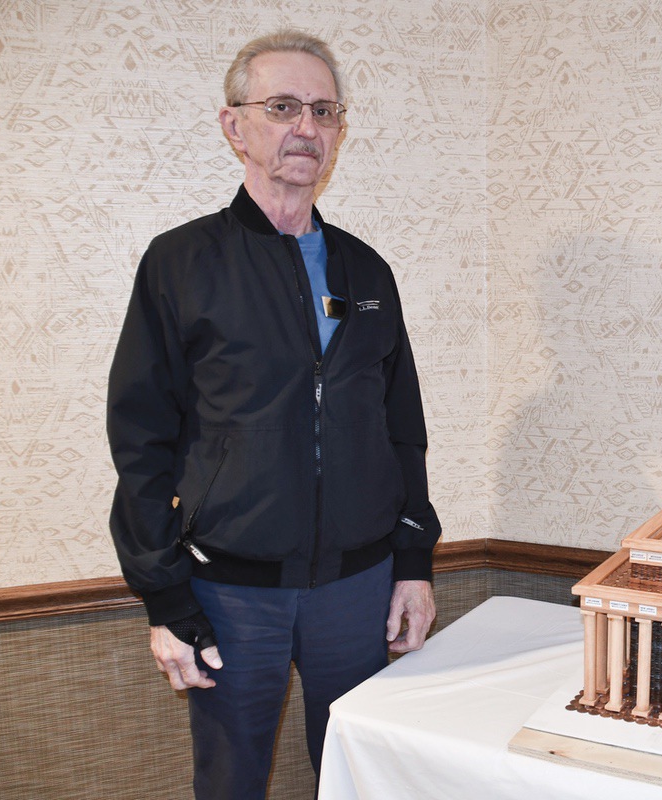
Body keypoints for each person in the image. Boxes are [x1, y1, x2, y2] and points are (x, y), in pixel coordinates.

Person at [106, 30, 440, 799]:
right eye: (283, 106)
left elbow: (403, 430)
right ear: (235, 126)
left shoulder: (367, 270)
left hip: (358, 589)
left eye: (324, 111)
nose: (307, 128)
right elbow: (140, 440)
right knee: (230, 785)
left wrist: (414, 564)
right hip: (230, 595)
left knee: (361, 781)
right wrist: (164, 596)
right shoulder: (180, 263)